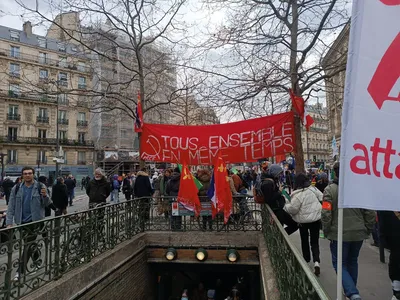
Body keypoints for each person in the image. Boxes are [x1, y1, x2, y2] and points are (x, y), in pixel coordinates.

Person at [322, 161, 375, 300]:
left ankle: (352, 293)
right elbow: (369, 212)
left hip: (339, 234)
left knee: (339, 264)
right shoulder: (359, 188)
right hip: (358, 232)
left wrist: (326, 231)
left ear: (335, 172)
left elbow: (326, 213)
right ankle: (351, 291)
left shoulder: (330, 190)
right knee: (352, 261)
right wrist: (367, 229)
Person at [6, 166, 56, 281]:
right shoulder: (17, 188)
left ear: (33, 174)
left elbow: (47, 203)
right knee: (30, 244)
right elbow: (11, 206)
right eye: (25, 173)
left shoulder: (40, 186)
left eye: (29, 173)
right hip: (21, 221)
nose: (27, 175)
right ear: (22, 175)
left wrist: (44, 196)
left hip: (35, 221)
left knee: (27, 245)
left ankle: (20, 271)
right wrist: (9, 222)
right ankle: (37, 260)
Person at [284, 173, 323, 275]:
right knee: (315, 241)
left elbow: (293, 210)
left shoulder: (298, 195)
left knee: (304, 240)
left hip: (303, 222)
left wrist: (286, 205)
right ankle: (316, 262)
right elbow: (322, 197)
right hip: (315, 220)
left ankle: (306, 261)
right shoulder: (313, 189)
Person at [260, 164, 298, 235]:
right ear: (275, 172)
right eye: (279, 173)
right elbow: (269, 199)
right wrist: (279, 191)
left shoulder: (272, 180)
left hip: (278, 208)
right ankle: (280, 237)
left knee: (287, 226)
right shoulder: (267, 183)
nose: (280, 175)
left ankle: (280, 237)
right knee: (291, 225)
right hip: (275, 209)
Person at [378, 210, 400, 300]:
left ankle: (396, 291)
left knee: (395, 262)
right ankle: (396, 291)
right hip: (394, 237)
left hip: (393, 238)